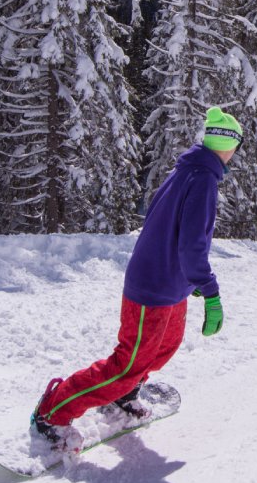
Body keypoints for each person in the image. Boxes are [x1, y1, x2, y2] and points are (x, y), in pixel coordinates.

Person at [29, 107, 238, 459]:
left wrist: (190, 278)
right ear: (229, 145)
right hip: (153, 287)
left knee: (162, 349)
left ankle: (122, 396)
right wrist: (210, 288)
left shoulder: (191, 170)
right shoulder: (201, 178)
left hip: (170, 283)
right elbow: (192, 244)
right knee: (127, 364)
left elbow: (167, 226)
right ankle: (52, 412)